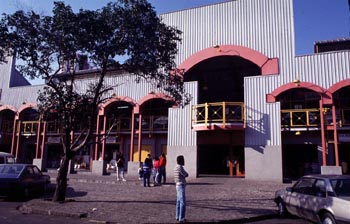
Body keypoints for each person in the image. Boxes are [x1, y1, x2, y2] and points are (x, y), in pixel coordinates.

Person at [174, 155, 188, 223]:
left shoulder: (175, 167)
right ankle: (181, 218)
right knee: (182, 203)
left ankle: (177, 216)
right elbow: (185, 174)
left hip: (177, 185)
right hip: (181, 185)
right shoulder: (180, 167)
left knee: (178, 202)